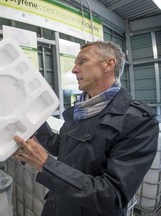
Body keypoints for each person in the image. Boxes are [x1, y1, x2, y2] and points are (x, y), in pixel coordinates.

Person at [12, 40, 159, 216]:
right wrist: (34, 119)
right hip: (56, 207)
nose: (74, 69)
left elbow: (111, 197)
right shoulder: (80, 110)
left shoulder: (138, 121)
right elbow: (61, 147)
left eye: (82, 61)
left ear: (108, 64)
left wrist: (46, 164)